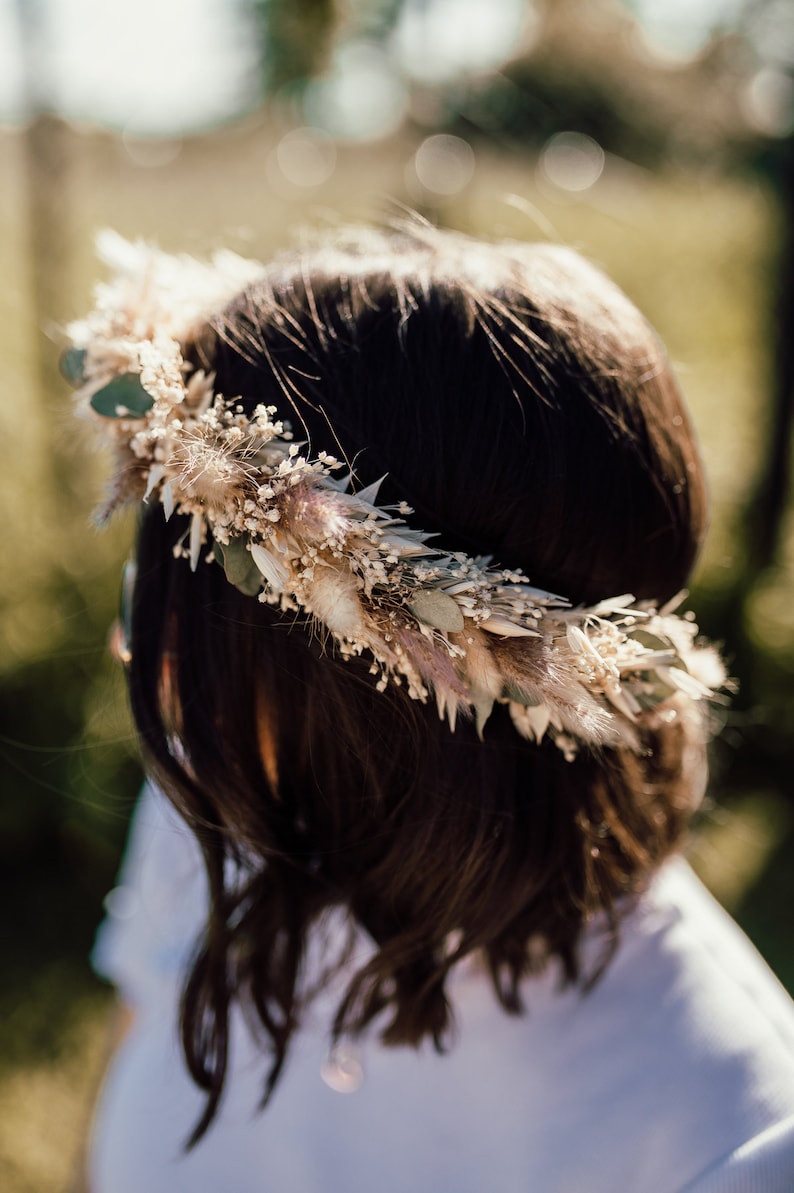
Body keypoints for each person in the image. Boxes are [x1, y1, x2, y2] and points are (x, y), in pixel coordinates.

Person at [68, 223, 794, 1192]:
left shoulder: (727, 1136)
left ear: (361, 673)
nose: (137, 651)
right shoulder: (223, 805)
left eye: (177, 612)